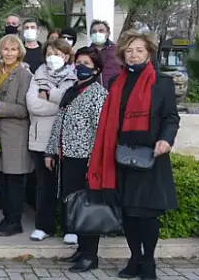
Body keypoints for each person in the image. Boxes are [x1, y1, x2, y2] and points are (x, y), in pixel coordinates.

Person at [86, 30, 179, 278]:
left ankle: (148, 262)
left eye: (139, 50)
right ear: (122, 54)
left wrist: (166, 140)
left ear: (148, 52)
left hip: (150, 157)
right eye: (129, 50)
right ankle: (135, 258)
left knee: (146, 215)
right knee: (127, 213)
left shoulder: (162, 82)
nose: (134, 55)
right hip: (121, 157)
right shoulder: (117, 82)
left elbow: (171, 118)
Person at [45, 47, 108, 272]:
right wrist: (51, 151)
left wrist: (95, 161)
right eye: (78, 62)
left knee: (87, 207)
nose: (80, 67)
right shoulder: (74, 90)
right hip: (67, 158)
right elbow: (59, 124)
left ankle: (91, 255)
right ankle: (81, 249)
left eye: (86, 63)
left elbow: (101, 131)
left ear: (96, 69)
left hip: (86, 160)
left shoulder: (98, 94)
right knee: (74, 205)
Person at [26, 39, 77, 242]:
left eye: (57, 53)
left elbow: (71, 104)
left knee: (67, 185)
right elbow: (32, 104)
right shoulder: (36, 76)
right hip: (41, 139)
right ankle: (43, 226)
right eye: (49, 53)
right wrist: (58, 103)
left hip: (66, 140)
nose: (53, 57)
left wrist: (48, 95)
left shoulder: (74, 78)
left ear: (66, 56)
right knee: (44, 185)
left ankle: (69, 228)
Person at [0, 34, 33, 237]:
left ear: (19, 52)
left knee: (14, 180)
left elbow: (23, 109)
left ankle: (15, 221)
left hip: (15, 135)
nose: (9, 53)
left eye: (13, 49)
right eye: (5, 49)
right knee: (1, 179)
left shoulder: (24, 75)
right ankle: (6, 217)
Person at [89, 20, 121, 88]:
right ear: (90, 35)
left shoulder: (118, 51)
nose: (97, 34)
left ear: (108, 33)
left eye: (101, 31)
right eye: (94, 31)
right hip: (93, 93)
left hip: (114, 92)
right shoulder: (86, 53)